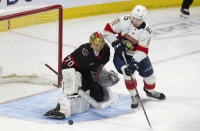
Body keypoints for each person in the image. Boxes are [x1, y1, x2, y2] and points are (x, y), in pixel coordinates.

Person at [44, 31, 119, 119]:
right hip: (73, 69)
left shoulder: (106, 50)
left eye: (100, 44)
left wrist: (101, 74)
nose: (98, 47)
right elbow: (66, 64)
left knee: (98, 96)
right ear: (91, 43)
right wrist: (69, 77)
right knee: (82, 90)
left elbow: (100, 64)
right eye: (96, 44)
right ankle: (61, 107)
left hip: (87, 69)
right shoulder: (84, 52)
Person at [103, 5, 166, 109]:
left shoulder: (147, 31)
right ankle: (134, 96)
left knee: (150, 77)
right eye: (134, 18)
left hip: (137, 55)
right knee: (128, 74)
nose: (135, 21)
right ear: (131, 15)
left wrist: (135, 62)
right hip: (121, 55)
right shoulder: (123, 20)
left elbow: (143, 50)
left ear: (143, 19)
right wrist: (115, 42)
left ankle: (149, 92)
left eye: (139, 19)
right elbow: (107, 30)